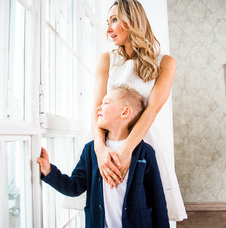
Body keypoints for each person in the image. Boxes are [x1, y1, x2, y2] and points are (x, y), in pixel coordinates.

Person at [93, 0, 187, 221]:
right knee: (106, 211)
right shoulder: (106, 60)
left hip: (143, 143)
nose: (108, 29)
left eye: (114, 20)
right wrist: (100, 151)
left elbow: (152, 109)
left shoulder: (166, 63)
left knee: (145, 212)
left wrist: (126, 151)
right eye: (108, 21)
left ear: (132, 20)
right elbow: (96, 110)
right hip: (105, 144)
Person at [37, 85, 169, 228]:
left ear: (125, 112)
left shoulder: (145, 152)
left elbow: (157, 199)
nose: (98, 108)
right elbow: (74, 187)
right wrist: (49, 171)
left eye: (106, 103)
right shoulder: (90, 150)